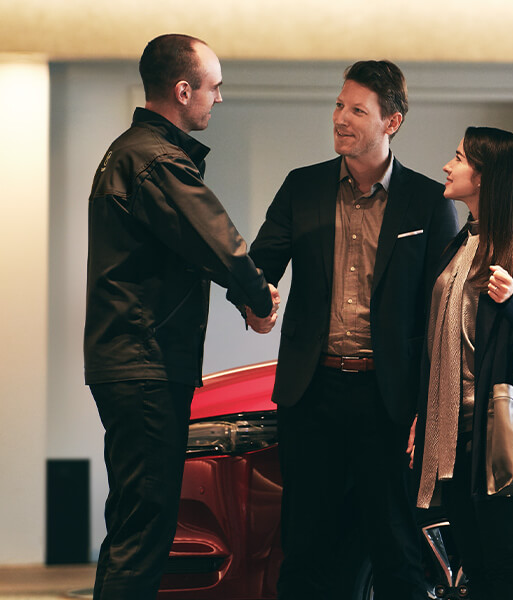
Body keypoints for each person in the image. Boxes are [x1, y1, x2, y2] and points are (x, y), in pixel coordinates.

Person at [242, 60, 459, 599]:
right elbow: (260, 265)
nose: (341, 118)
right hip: (311, 393)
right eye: (339, 105)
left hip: (389, 400)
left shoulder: (428, 202)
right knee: (305, 548)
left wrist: (429, 408)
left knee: (396, 549)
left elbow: (442, 317)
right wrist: (255, 303)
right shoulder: (303, 187)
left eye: (358, 110)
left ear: (392, 122)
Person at [84, 34, 279, 600]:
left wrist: (243, 295)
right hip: (145, 363)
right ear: (183, 89)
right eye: (214, 87)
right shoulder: (156, 160)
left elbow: (187, 250)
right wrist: (258, 297)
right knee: (145, 531)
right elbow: (217, 241)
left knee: (132, 523)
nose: (219, 98)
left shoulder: (129, 152)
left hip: (127, 361)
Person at [412, 126, 513, 600]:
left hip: (500, 435)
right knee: (473, 565)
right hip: (452, 433)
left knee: (508, 562)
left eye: (458, 158)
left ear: (485, 176)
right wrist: (423, 416)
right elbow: (438, 343)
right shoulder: (460, 246)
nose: (447, 166)